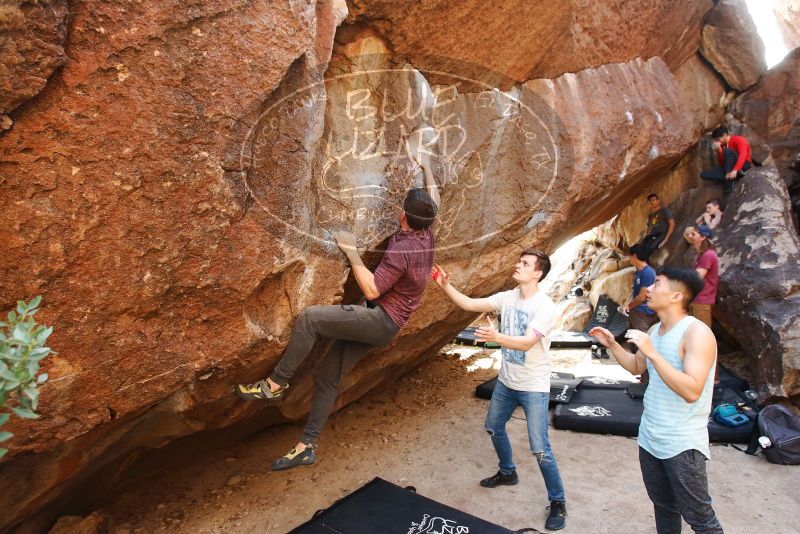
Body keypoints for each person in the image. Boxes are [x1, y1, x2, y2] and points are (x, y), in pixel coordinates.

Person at [236, 155, 440, 471]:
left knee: (310, 319)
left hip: (378, 318)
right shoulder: (427, 233)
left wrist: (352, 253)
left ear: (403, 215)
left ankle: (275, 385)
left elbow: (373, 290)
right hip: (388, 325)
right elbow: (434, 198)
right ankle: (307, 446)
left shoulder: (403, 249)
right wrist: (425, 168)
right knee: (328, 375)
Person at [431, 250, 568, 531]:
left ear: (538, 273)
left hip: (534, 387)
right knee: (494, 427)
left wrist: (497, 338)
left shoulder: (545, 307)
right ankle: (508, 472)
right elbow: (469, 304)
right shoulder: (507, 298)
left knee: (540, 448)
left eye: (525, 264)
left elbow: (527, 342)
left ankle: (558, 502)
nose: (518, 266)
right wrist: (445, 285)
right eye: (519, 261)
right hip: (507, 382)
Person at [590, 267, 724, 534]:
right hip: (650, 436)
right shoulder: (654, 330)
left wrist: (653, 355)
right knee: (663, 507)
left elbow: (692, 391)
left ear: (676, 296)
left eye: (657, 284)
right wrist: (613, 345)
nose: (648, 290)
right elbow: (636, 367)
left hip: (682, 443)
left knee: (701, 520)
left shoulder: (696, 333)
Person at [684, 224, 720, 383]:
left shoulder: (707, 255)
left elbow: (698, 277)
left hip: (702, 302)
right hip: (697, 301)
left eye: (696, 233)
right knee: (695, 340)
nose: (692, 235)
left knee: (704, 341)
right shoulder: (701, 254)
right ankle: (700, 375)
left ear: (703, 237)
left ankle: (713, 378)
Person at [622, 245, 659, 366]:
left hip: (643, 313)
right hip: (636, 312)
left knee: (641, 343)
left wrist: (629, 306)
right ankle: (641, 373)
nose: (629, 259)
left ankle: (646, 374)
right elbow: (635, 292)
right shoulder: (639, 271)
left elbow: (642, 296)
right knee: (633, 342)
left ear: (634, 256)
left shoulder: (648, 272)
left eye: (630, 256)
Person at [700, 126, 752, 194]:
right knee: (704, 174)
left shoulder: (739, 140)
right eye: (716, 140)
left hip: (744, 164)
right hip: (730, 168)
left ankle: (729, 180)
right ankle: (732, 176)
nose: (717, 142)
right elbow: (722, 163)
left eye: (718, 139)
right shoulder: (723, 146)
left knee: (727, 151)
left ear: (725, 135)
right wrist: (719, 150)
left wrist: (735, 170)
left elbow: (743, 155)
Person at [637, 193, 675, 261]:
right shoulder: (650, 215)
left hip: (661, 235)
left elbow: (672, 223)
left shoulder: (664, 210)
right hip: (652, 235)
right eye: (650, 201)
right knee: (640, 248)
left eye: (654, 200)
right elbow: (649, 227)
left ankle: (648, 269)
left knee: (650, 249)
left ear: (658, 201)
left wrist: (666, 239)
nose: (652, 202)